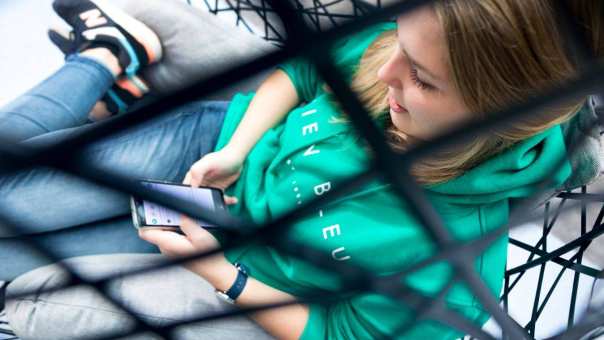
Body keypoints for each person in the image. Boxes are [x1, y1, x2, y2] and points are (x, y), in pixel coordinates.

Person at [3, 0, 603, 339]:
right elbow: (303, 73)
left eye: (421, 79)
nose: (387, 71)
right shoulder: (405, 51)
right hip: (213, 147)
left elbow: (339, 333)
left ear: (493, 118)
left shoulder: (452, 261)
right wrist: (236, 149)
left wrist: (222, 274)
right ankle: (112, 57)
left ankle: (107, 58)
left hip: (236, 256)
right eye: (399, 44)